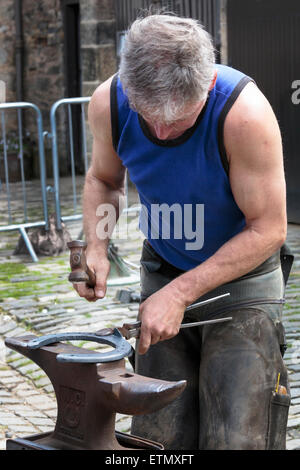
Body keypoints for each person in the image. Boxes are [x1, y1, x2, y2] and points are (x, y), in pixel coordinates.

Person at [73, 14, 291, 450]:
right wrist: (94, 246)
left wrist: (179, 294)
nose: (160, 132)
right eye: (149, 117)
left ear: (207, 87)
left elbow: (268, 229)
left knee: (236, 434)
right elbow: (104, 179)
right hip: (163, 268)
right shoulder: (110, 103)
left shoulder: (243, 115)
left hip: (242, 285)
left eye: (177, 122)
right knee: (159, 436)